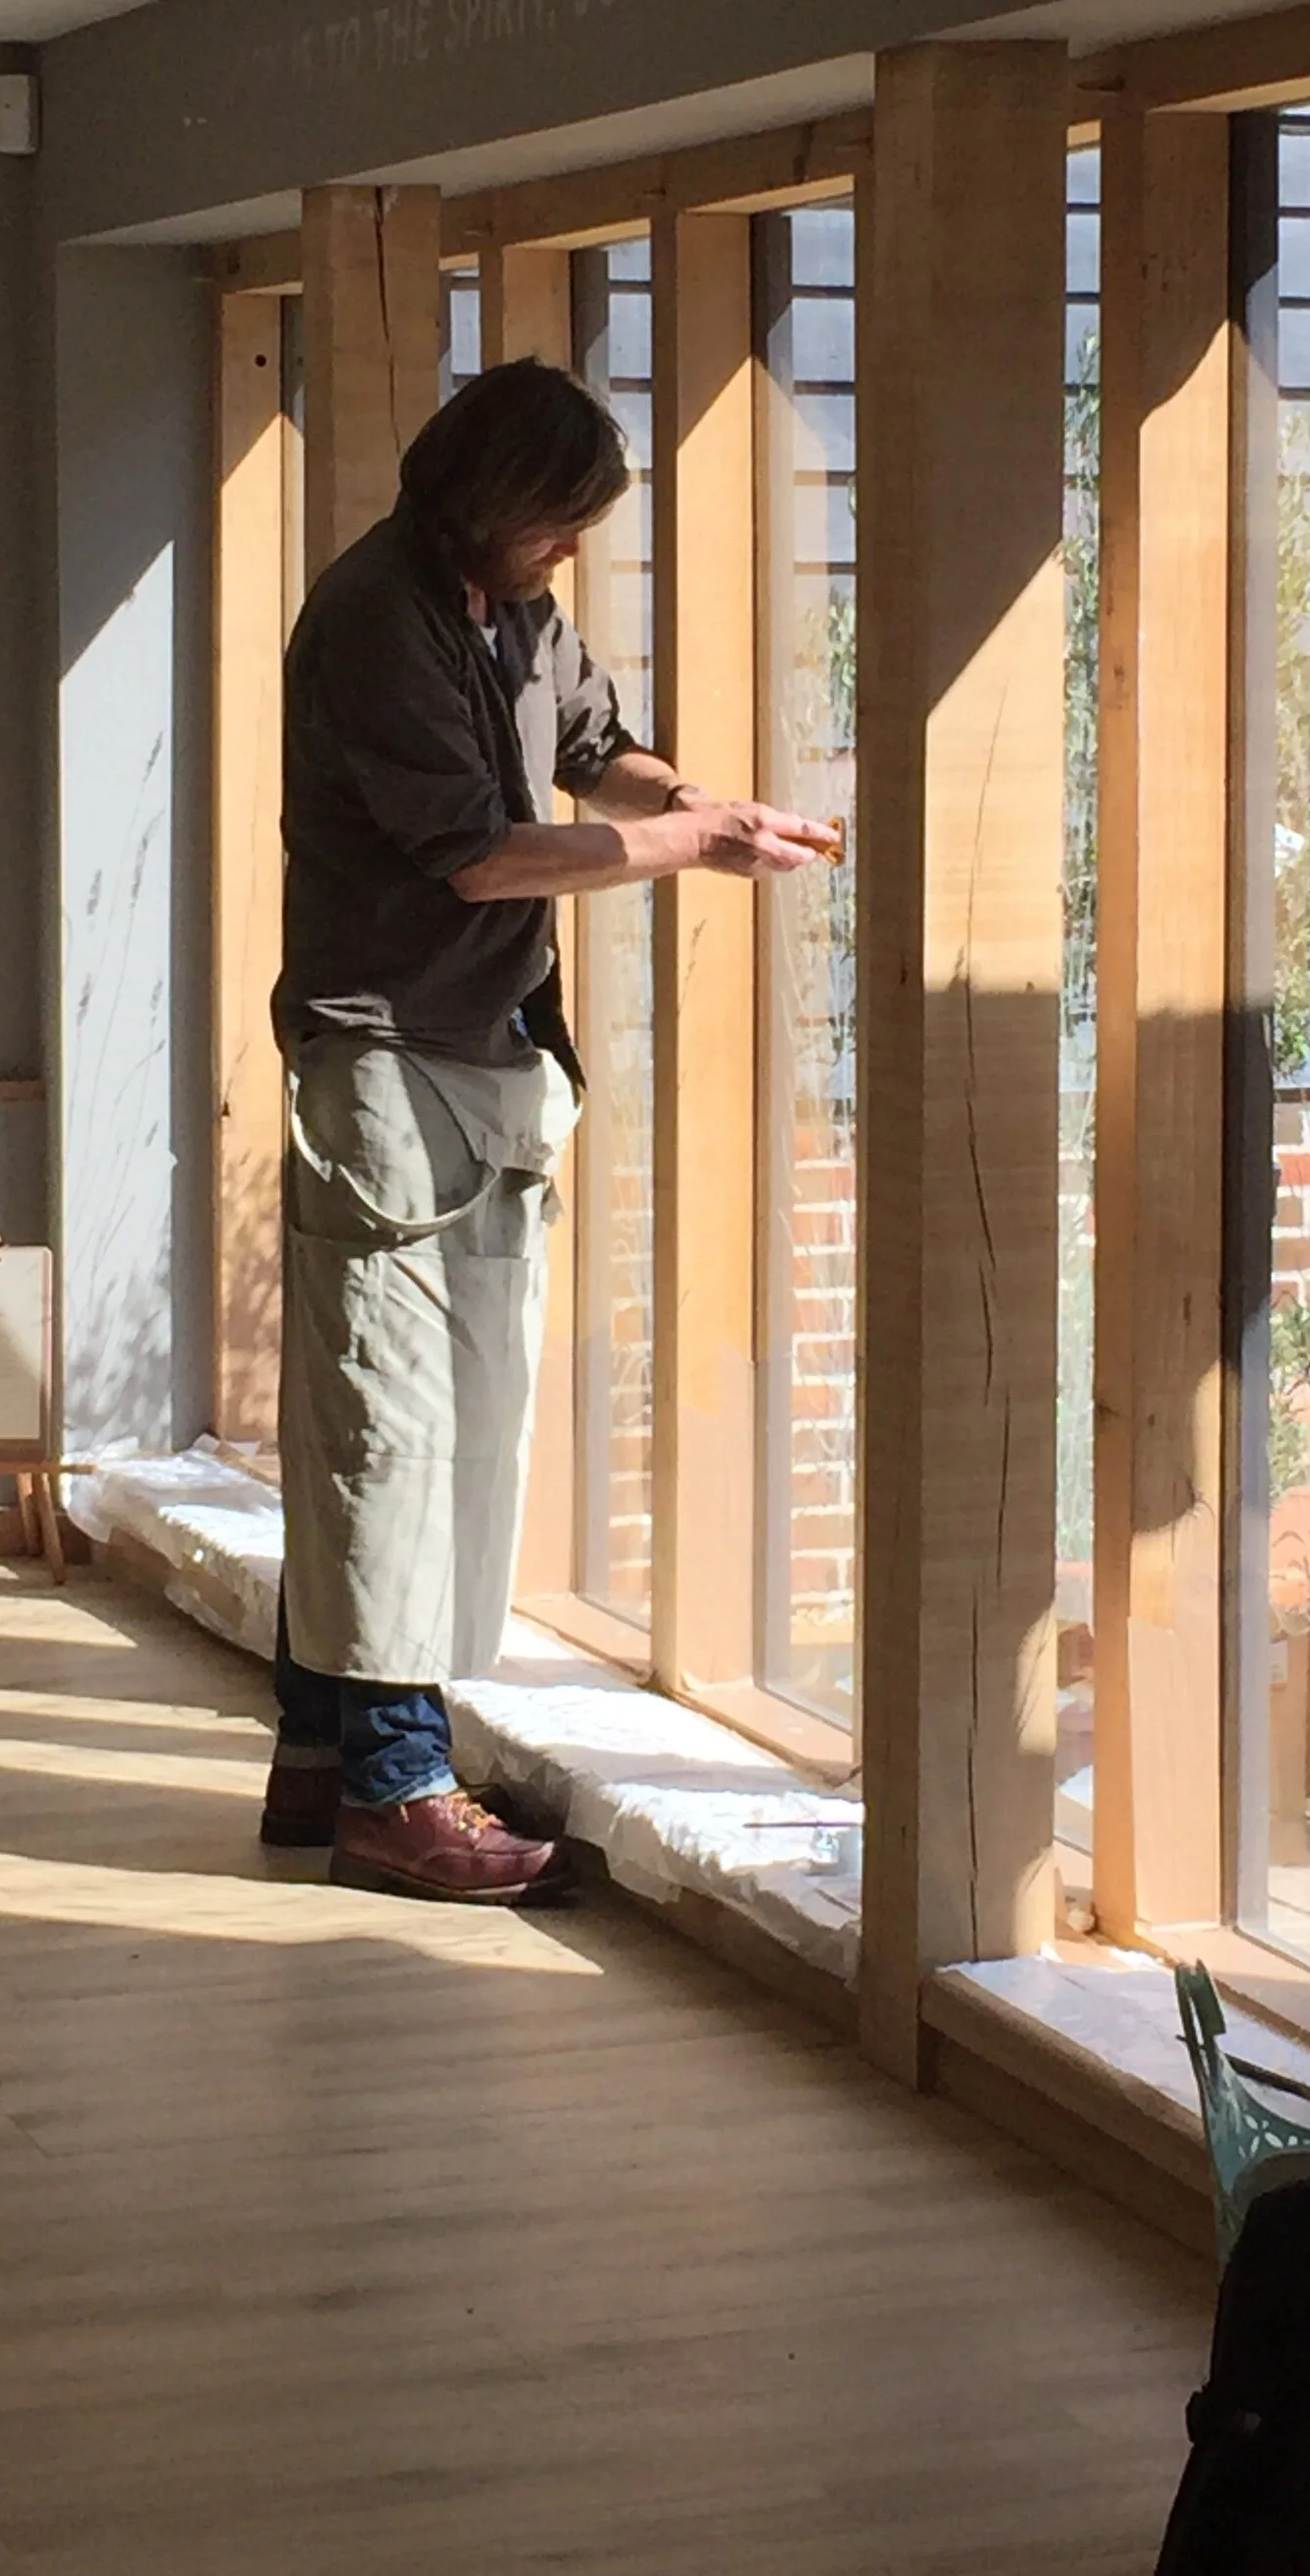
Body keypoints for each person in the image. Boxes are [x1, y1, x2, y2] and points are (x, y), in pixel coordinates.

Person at [261, 355, 836, 1904]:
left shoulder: (507, 608)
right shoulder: (378, 616)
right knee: (394, 1425)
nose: (572, 548)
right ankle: (394, 1793)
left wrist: (722, 809)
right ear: (487, 499)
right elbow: (475, 856)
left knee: (425, 1417)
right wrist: (678, 844)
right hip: (384, 1054)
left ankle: (324, 1755)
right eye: (558, 521)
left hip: (487, 1050)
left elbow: (596, 747)